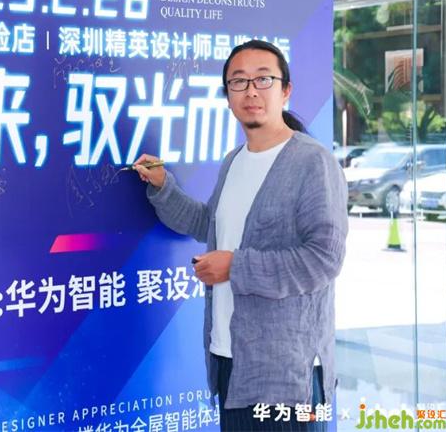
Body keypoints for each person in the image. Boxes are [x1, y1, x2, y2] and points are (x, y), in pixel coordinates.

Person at [134, 40, 348, 431]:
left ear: (285, 90)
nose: (251, 91)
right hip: (230, 363)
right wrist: (163, 186)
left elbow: (323, 259)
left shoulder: (313, 162)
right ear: (228, 97)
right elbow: (209, 224)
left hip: (286, 376)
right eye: (238, 81)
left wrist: (236, 267)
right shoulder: (234, 161)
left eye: (263, 79)